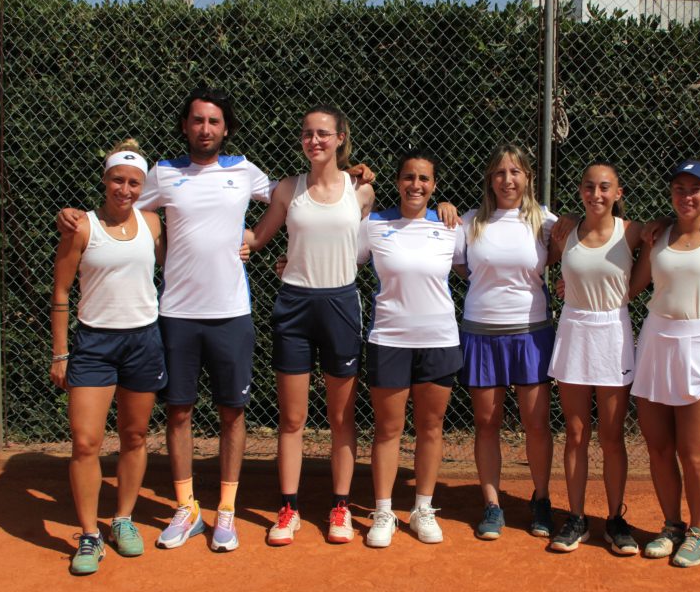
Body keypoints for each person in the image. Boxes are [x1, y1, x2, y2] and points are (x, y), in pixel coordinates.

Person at [58, 87, 273, 553]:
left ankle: (227, 512)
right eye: (197, 120)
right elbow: (123, 208)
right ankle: (187, 507)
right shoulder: (162, 174)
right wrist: (76, 216)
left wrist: (256, 236)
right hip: (174, 314)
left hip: (233, 313)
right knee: (178, 411)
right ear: (185, 126)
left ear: (226, 128)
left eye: (214, 121)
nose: (205, 129)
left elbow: (290, 200)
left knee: (232, 414)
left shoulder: (245, 171)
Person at [244, 106, 375, 546]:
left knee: (341, 417)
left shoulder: (362, 191)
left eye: (323, 134)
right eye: (307, 134)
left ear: (341, 138)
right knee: (292, 418)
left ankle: (340, 505)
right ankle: (289, 508)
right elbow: (258, 238)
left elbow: (370, 246)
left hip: (340, 305)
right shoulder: (287, 189)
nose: (314, 140)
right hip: (294, 306)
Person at [51, 139, 164, 575]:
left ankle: (123, 520)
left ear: (143, 187)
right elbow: (61, 291)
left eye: (134, 182)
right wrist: (61, 352)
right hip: (94, 345)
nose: (125, 189)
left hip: (143, 341)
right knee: (85, 442)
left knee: (134, 437)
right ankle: (89, 535)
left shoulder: (153, 223)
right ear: (104, 180)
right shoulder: (81, 227)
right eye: (118, 179)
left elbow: (179, 263)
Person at [629, 159, 700, 567]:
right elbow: (631, 289)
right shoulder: (656, 237)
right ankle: (672, 525)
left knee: (694, 453)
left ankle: (699, 532)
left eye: (696, 188)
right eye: (679, 188)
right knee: (659, 449)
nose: (687, 195)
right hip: (656, 342)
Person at [454, 144, 560, 541]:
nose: (508, 180)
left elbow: (575, 243)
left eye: (515, 172)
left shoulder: (545, 222)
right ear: (490, 180)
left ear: (528, 177)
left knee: (536, 424)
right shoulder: (468, 223)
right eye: (500, 173)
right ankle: (493, 504)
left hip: (532, 333)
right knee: (487, 423)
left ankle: (542, 499)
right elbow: (458, 264)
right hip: (481, 333)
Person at [359, 151, 464, 547]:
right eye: (408, 177)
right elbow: (338, 262)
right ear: (398, 181)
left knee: (431, 428)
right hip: (389, 340)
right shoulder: (373, 225)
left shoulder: (453, 227)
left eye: (423, 178)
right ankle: (383, 511)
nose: (415, 185)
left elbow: (481, 268)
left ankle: (422, 508)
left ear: (434, 185)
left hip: (439, 339)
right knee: (388, 429)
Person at [547, 161, 642, 553]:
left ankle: (615, 520)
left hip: (613, 334)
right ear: (581, 191)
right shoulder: (565, 231)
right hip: (574, 331)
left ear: (618, 193)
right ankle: (577, 518)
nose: (597, 194)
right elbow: (541, 265)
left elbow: (677, 232)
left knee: (612, 435)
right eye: (589, 187)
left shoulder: (633, 231)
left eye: (605, 187)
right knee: (575, 433)